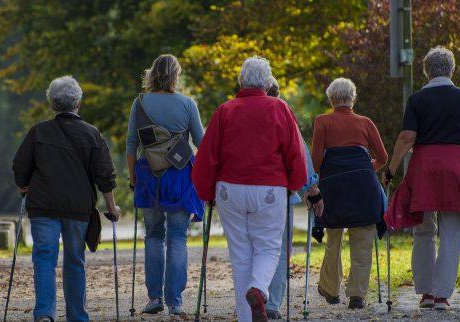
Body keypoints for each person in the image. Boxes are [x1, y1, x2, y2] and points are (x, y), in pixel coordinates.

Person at [192, 56, 307, 322]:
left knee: (240, 254)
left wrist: (206, 192)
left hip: (229, 188)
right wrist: (294, 183)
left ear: (241, 81)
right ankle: (259, 288)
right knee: (267, 248)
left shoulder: (225, 110)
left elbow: (208, 155)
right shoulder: (280, 108)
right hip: (269, 186)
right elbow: (294, 152)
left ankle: (247, 316)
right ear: (268, 82)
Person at [383, 46, 460, 311]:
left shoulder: (417, 99)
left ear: (426, 71)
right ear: (452, 69)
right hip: (457, 167)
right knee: (452, 232)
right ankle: (443, 295)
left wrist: (391, 169)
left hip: (424, 168)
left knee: (423, 229)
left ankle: (426, 294)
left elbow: (407, 138)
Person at [13, 76, 121, 322]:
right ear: (78, 103)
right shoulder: (92, 134)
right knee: (74, 260)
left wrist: (24, 186)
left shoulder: (38, 131)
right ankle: (77, 316)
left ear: (52, 104)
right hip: (77, 208)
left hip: (43, 206)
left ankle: (44, 313)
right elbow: (105, 175)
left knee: (44, 257)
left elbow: (20, 166)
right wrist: (112, 207)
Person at [125, 54, 205, 316]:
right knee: (178, 237)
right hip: (181, 176)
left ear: (152, 74)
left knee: (153, 235)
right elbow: (201, 143)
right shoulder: (187, 104)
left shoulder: (139, 103)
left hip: (149, 175)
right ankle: (175, 302)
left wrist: (132, 177)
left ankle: (154, 297)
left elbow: (131, 144)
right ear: (175, 76)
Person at [311, 77, 389, 309]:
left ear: (331, 99)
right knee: (363, 239)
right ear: (352, 98)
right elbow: (383, 158)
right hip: (363, 187)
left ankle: (331, 289)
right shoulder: (365, 122)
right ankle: (357, 295)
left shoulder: (322, 121)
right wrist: (365, 170)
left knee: (333, 237)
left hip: (333, 187)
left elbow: (316, 162)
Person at [264, 78, 320, 320]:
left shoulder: (236, 114)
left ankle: (253, 296)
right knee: (279, 249)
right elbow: (301, 154)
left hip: (243, 192)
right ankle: (273, 304)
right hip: (280, 192)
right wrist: (313, 192)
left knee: (252, 249)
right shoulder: (284, 115)